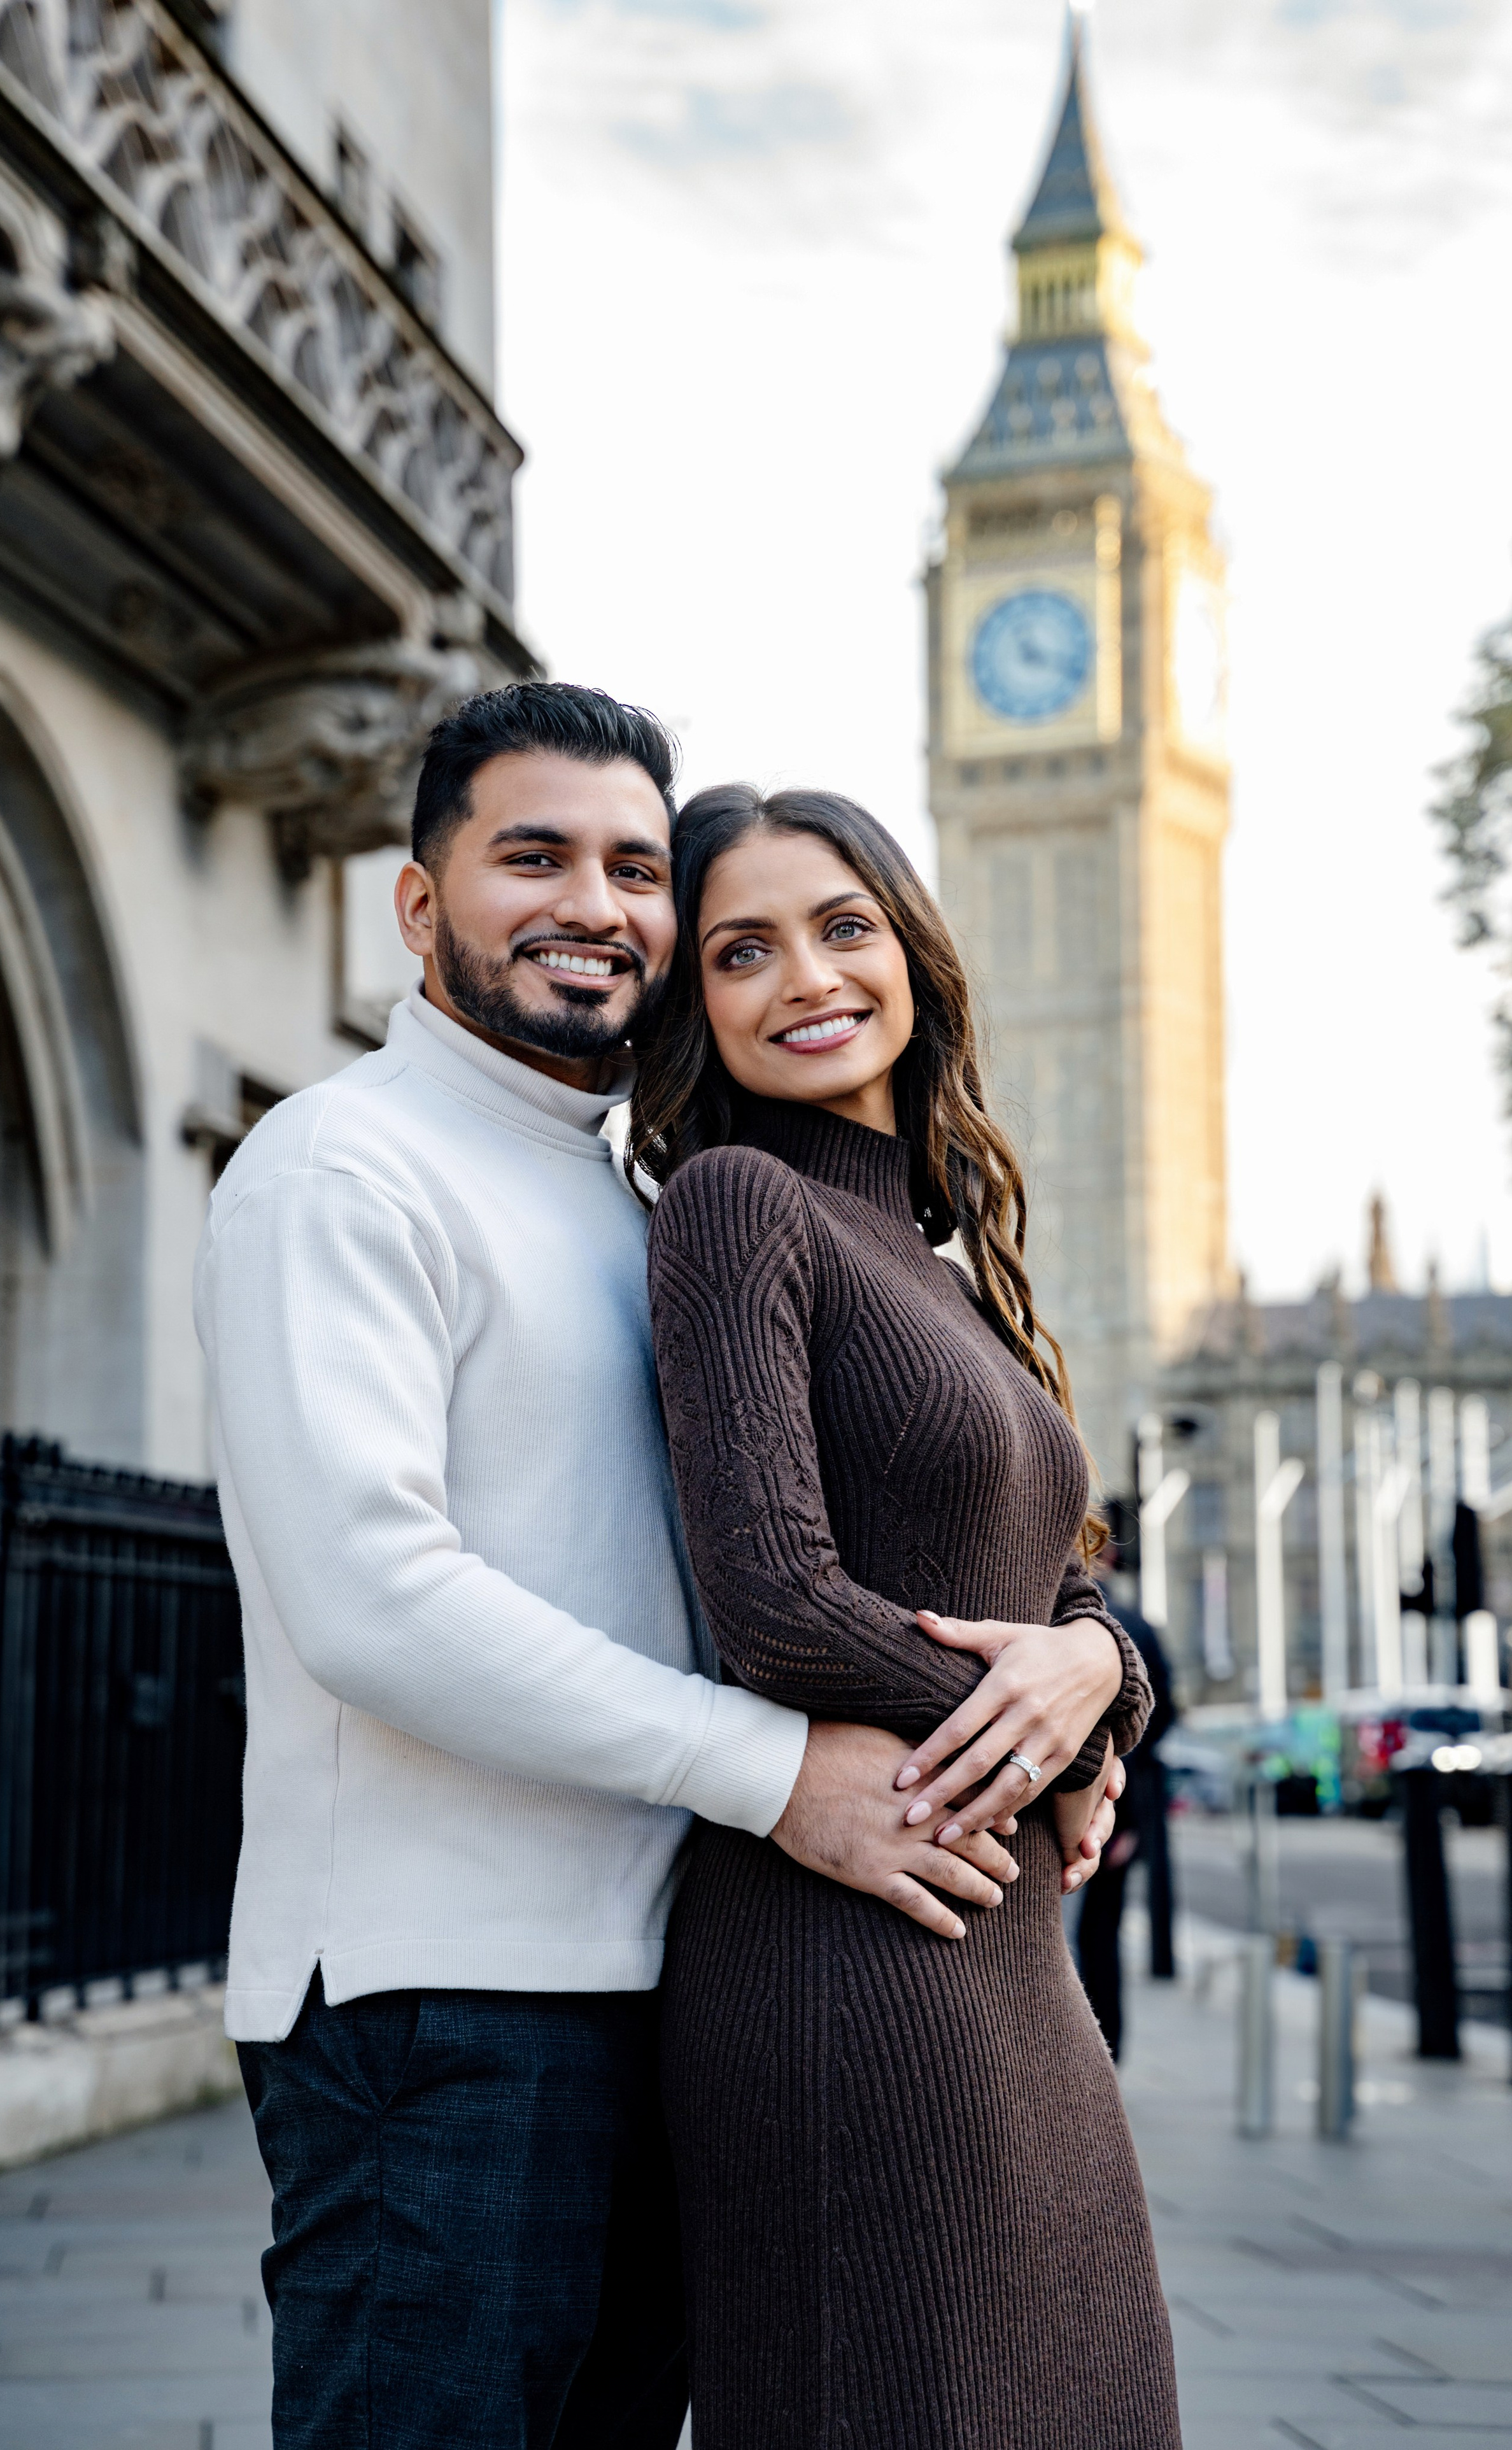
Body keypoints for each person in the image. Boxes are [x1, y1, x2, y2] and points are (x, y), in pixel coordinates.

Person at [193, 684, 1115, 2450]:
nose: (594, 907)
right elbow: (377, 1596)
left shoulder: (634, 1203)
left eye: (632, 868)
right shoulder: (340, 1170)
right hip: (433, 2012)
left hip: (654, 1992)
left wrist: (1086, 1674)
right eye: (529, 857)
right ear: (417, 903)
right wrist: (777, 1774)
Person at [630, 783, 1182, 2450]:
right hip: (852, 1966)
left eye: (842, 926)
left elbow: (1050, 1575)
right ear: (698, 1004)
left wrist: (1103, 1670)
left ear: (913, 956)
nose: (806, 976)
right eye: (743, 950)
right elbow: (776, 1599)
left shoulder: (937, 1264)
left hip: (1004, 1956)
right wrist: (1055, 1717)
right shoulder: (738, 1205)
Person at [1078, 1601, 1179, 2057]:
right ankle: (1107, 2048)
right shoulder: (1133, 1624)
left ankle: (1097, 2046)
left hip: (1091, 1800)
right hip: (1119, 1804)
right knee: (1101, 1931)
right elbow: (1159, 1719)